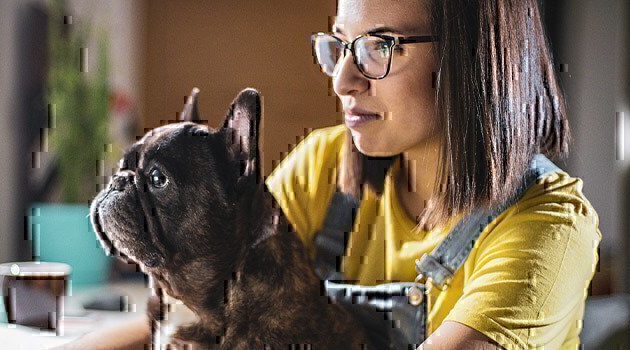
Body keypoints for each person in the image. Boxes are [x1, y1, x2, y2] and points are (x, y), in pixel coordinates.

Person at [60, 0, 600, 349]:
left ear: (472, 56)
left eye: (377, 47)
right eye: (339, 46)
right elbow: (206, 302)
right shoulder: (326, 166)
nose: (342, 79)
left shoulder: (546, 226)